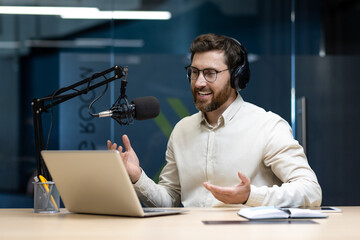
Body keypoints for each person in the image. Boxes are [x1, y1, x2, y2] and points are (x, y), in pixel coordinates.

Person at [107, 33, 322, 208]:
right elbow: (169, 200)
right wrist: (137, 177)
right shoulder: (183, 130)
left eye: (210, 73)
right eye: (194, 72)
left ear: (237, 77)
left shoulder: (268, 127)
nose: (199, 82)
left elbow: (310, 191)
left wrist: (251, 196)